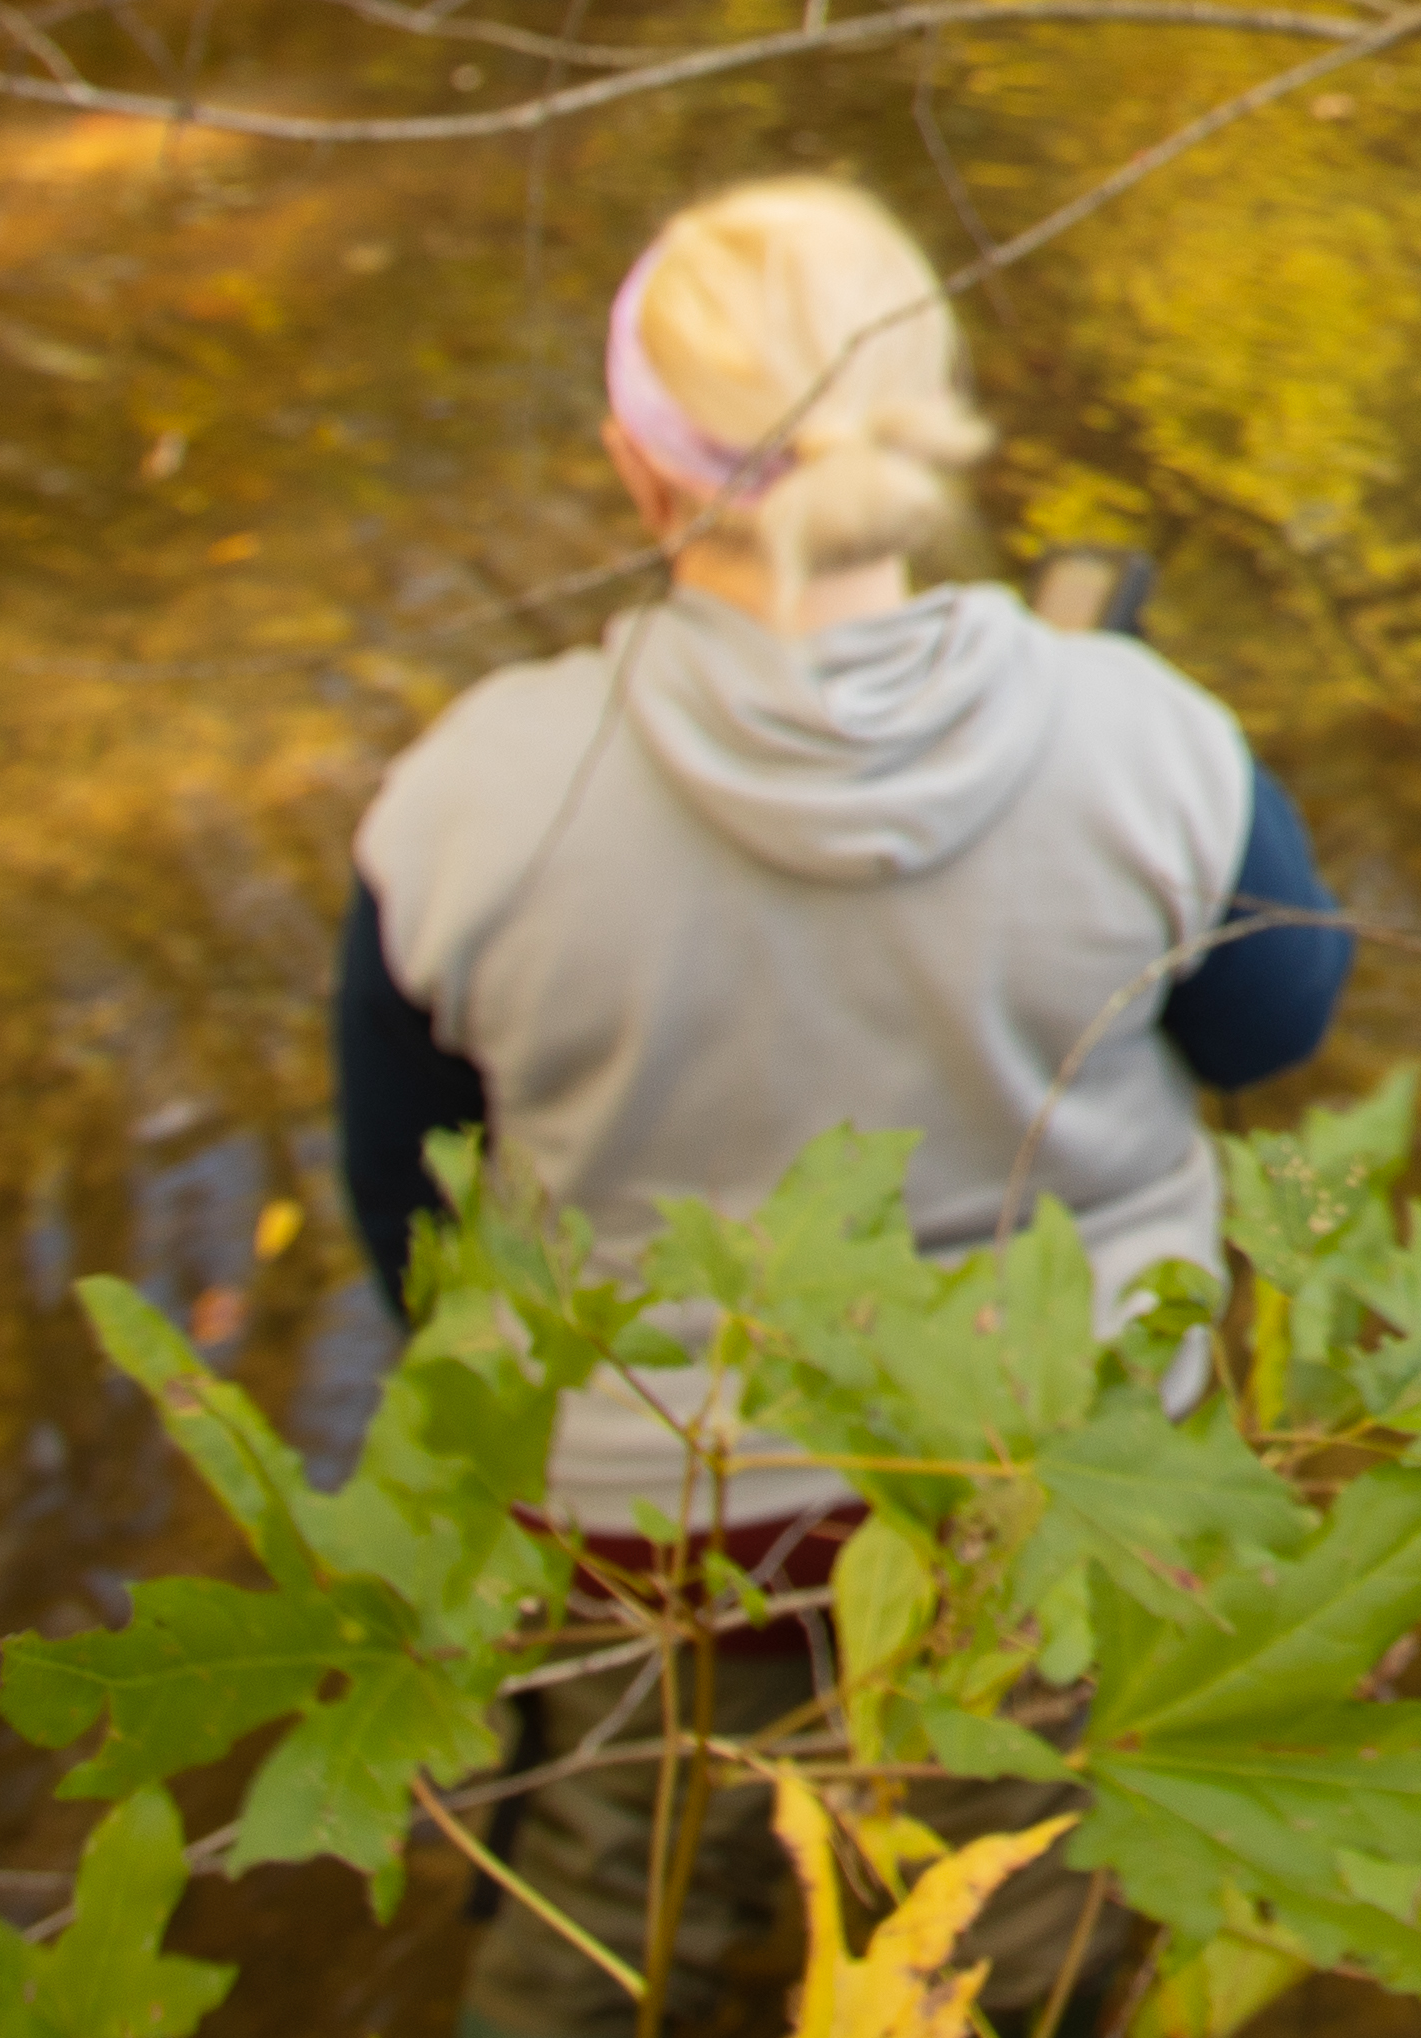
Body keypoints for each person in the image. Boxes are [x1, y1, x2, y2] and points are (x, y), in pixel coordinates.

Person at [334, 173, 1352, 2038]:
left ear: (640, 473)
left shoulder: (475, 796)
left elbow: (410, 1218)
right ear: (928, 447)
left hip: (658, 1521)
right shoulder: (1146, 735)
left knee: (611, 1904)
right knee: (1015, 1905)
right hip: (1048, 1477)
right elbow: (1274, 1024)